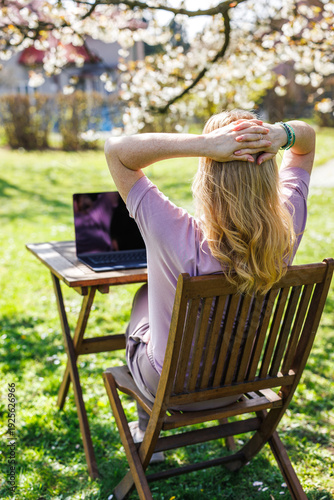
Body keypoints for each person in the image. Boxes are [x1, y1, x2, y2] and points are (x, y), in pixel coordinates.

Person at [104, 109, 315, 449]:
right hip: (242, 379)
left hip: (171, 388)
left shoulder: (175, 231)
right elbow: (307, 143)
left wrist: (205, 144)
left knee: (140, 308)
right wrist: (282, 134)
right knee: (148, 301)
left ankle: (146, 431)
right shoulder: (289, 222)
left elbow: (117, 151)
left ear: (208, 169)